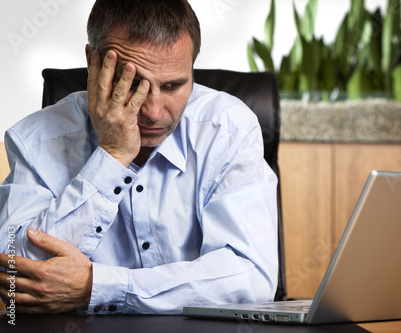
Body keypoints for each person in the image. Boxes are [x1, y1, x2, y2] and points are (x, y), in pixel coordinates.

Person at [0, 0, 278, 315]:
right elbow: (16, 278)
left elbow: (251, 279)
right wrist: (112, 155)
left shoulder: (229, 130)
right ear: (93, 62)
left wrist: (98, 286)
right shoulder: (35, 139)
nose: (154, 111)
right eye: (133, 84)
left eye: (173, 85)